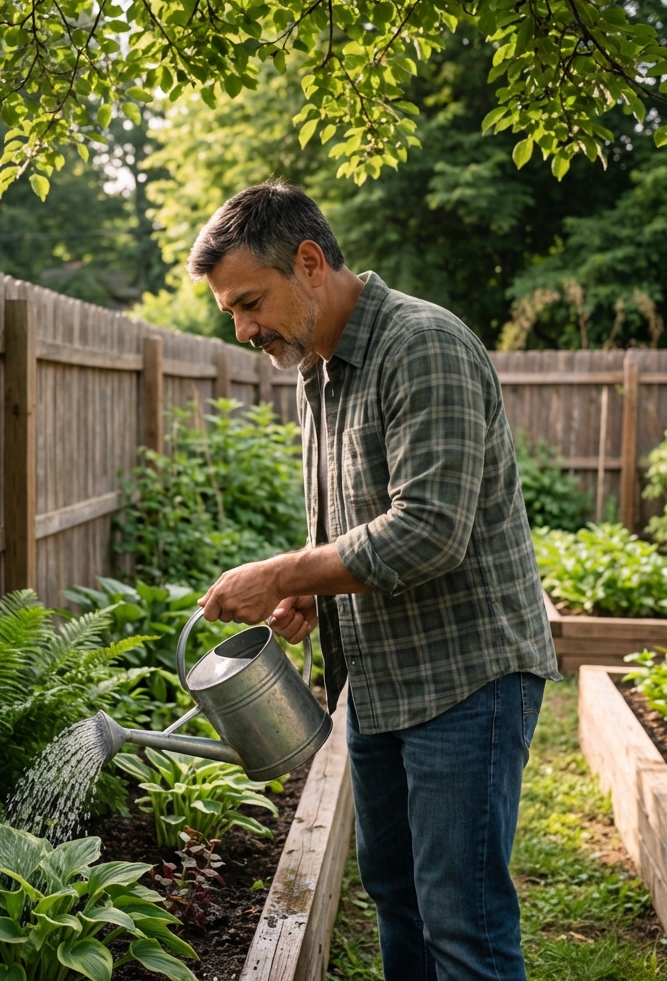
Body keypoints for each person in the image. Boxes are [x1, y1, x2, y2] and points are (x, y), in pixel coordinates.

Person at [190, 181, 560, 981]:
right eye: (231, 314)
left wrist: (284, 569)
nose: (245, 328)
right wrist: (312, 583)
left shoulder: (422, 345)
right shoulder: (315, 372)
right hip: (382, 682)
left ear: (312, 263)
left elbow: (430, 531)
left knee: (462, 923)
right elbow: (358, 519)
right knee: (396, 894)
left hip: (468, 676)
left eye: (250, 302)